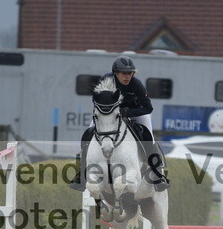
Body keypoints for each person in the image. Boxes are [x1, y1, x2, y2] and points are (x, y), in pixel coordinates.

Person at [69, 55, 169, 191]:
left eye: (130, 73)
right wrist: (110, 111)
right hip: (109, 115)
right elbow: (96, 98)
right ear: (116, 73)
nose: (127, 76)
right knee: (88, 133)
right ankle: (81, 175)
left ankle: (158, 175)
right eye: (124, 73)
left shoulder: (137, 85)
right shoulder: (106, 80)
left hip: (135, 114)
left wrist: (128, 112)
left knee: (148, 136)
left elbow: (148, 108)